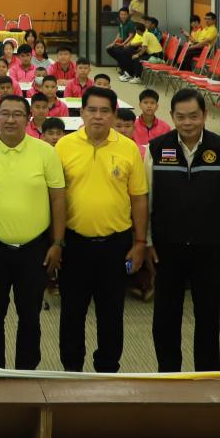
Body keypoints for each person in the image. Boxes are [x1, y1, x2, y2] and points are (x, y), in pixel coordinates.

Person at [53, 86, 149, 373]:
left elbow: (139, 198)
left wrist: (140, 242)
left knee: (111, 312)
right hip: (74, 244)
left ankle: (108, 370)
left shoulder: (128, 148)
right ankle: (71, 369)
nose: (98, 116)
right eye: (92, 110)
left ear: (114, 114)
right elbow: (54, 197)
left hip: (115, 245)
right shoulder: (64, 146)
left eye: (105, 111)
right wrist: (56, 242)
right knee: (72, 312)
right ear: (82, 112)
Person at [0, 94, 66, 369]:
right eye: (5, 114)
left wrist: (58, 242)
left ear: (29, 118)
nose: (10, 120)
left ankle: (26, 373)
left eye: (17, 114)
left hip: (34, 250)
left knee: (30, 317)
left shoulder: (45, 152)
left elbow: (58, 199)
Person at [145, 88, 220, 372]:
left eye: (193, 116)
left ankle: (206, 375)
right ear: (171, 116)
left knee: (208, 315)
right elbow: (147, 200)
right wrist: (147, 241)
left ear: (205, 115)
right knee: (165, 315)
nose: (187, 123)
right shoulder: (156, 148)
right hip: (167, 246)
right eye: (181, 117)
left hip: (209, 246)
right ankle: (168, 373)